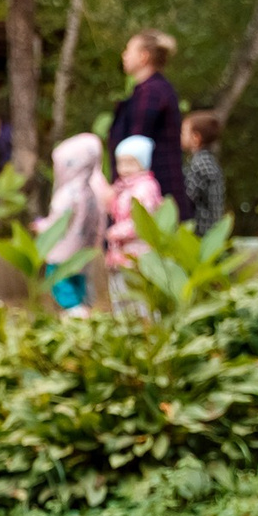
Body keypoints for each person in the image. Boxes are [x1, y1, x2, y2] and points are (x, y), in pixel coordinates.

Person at [107, 30, 188, 219]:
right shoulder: (149, 91)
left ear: (144, 56)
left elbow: (137, 141)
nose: (124, 55)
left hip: (152, 195)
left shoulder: (152, 93)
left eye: (129, 50)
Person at [39, 132, 109, 313]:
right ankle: (87, 313)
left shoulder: (67, 194)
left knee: (60, 285)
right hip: (83, 252)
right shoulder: (91, 190)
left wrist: (42, 227)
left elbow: (58, 222)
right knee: (79, 284)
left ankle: (77, 316)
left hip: (62, 252)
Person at [107, 134, 163, 271]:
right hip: (122, 252)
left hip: (139, 251)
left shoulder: (146, 187)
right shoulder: (122, 187)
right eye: (121, 163)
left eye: (131, 163)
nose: (125, 168)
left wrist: (116, 232)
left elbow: (143, 219)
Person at [182, 108, 226, 232]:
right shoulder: (208, 161)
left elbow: (188, 195)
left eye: (183, 132)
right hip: (212, 228)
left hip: (201, 229)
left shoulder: (199, 165)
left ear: (196, 138)